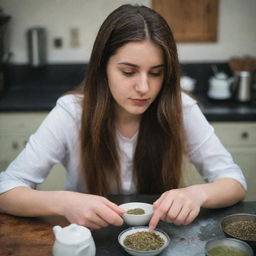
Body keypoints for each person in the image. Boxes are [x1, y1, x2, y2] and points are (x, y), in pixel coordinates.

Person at [0, 4, 246, 230]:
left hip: (161, 236)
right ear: (103, 68)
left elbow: (234, 181)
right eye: (128, 72)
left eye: (156, 73)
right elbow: (6, 190)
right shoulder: (71, 113)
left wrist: (197, 194)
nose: (144, 87)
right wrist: (64, 202)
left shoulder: (181, 108)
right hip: (89, 239)